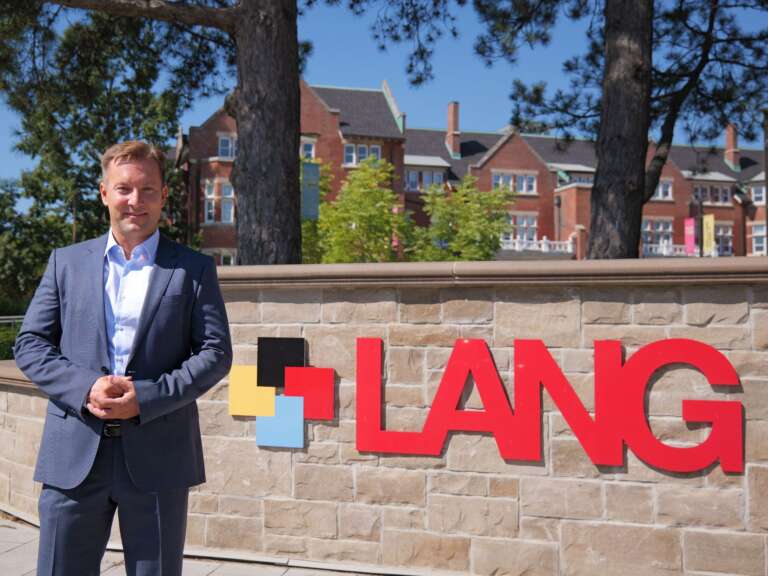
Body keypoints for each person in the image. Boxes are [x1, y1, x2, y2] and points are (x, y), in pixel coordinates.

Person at [14, 140, 233, 576]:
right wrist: (85, 386)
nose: (136, 201)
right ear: (104, 193)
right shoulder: (66, 263)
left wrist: (147, 397)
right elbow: (31, 344)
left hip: (158, 456)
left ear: (163, 196)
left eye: (148, 189)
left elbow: (215, 353)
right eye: (124, 189)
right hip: (74, 455)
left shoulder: (193, 269)